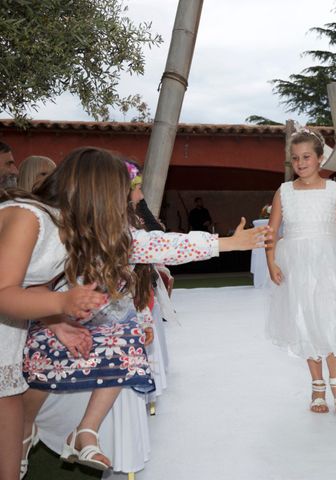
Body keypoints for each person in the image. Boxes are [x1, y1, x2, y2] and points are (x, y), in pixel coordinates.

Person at [0, 146, 270, 479]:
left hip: (11, 337)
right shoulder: (29, 217)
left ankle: (71, 432)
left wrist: (227, 244)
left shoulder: (81, 232)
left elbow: (162, 245)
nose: (127, 202)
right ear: (95, 192)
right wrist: (61, 305)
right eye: (121, 193)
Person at [266, 129, 336, 415]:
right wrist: (271, 262)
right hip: (296, 264)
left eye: (307, 157)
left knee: (330, 317)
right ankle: (317, 386)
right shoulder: (284, 192)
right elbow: (272, 232)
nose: (301, 163)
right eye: (296, 158)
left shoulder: (333, 190)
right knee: (305, 320)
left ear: (320, 158)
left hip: (328, 261)